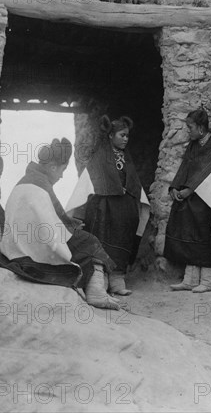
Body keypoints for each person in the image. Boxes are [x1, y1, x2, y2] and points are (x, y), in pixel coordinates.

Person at [0, 138, 122, 310]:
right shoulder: (42, 185)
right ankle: (96, 292)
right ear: (53, 167)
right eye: (62, 170)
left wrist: (69, 224)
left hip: (17, 246)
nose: (61, 176)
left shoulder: (26, 181)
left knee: (80, 241)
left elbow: (50, 216)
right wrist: (71, 227)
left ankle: (97, 286)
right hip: (39, 245)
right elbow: (55, 219)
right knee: (90, 241)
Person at [66, 116, 150, 296]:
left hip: (124, 209)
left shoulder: (127, 159)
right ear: (111, 135)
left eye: (127, 136)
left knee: (123, 241)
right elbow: (88, 181)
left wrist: (139, 199)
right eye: (122, 135)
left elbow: (134, 182)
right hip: (104, 209)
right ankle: (101, 279)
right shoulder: (100, 157)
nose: (126, 139)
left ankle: (117, 279)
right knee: (103, 241)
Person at [165, 108, 211, 292]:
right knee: (190, 233)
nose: (187, 131)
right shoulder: (194, 145)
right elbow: (185, 168)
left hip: (209, 202)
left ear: (201, 128)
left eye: (190, 127)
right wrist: (175, 187)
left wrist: (189, 190)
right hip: (193, 200)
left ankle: (207, 281)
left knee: (207, 236)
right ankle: (190, 279)